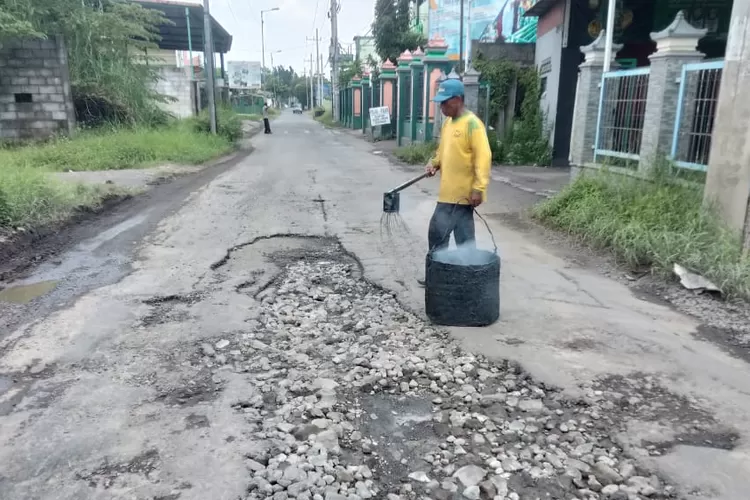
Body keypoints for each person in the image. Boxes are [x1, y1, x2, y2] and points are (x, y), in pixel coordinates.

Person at [420, 78, 492, 285]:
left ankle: (462, 277)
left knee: (448, 236)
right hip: (448, 194)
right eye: (440, 102)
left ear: (458, 99)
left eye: (445, 102)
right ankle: (449, 275)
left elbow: (483, 157)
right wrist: (434, 163)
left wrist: (479, 188)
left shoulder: (472, 124)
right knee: (454, 237)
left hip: (463, 195)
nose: (441, 106)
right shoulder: (449, 124)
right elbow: (443, 152)